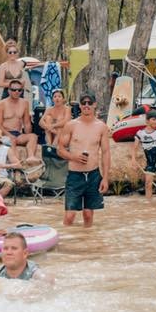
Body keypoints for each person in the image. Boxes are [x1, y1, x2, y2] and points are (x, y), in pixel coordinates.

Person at [56, 92, 111, 227]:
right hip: (75, 176)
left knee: (88, 214)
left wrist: (105, 178)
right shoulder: (71, 125)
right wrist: (73, 157)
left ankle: (87, 243)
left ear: (94, 105)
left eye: (89, 103)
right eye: (83, 103)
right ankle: (65, 242)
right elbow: (60, 149)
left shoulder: (101, 127)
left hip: (93, 175)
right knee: (70, 216)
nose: (87, 105)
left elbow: (105, 152)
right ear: (80, 105)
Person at [0, 78, 40, 162]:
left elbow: (26, 123)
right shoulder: (1, 104)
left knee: (33, 137)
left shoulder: (24, 103)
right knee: (12, 141)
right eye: (14, 90)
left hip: (18, 134)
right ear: (9, 91)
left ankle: (31, 157)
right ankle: (16, 163)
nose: (17, 92)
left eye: (19, 90)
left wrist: (27, 134)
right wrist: (9, 135)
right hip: (4, 134)